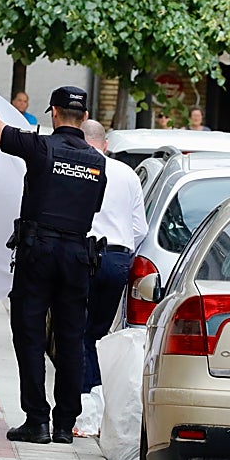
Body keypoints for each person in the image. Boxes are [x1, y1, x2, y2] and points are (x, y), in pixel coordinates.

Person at [0, 64, 106, 444]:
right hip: (77, 255)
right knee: (71, 338)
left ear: (54, 114)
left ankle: (37, 420)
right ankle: (64, 426)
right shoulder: (98, 162)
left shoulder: (41, 146)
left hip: (38, 252)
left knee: (29, 332)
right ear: (85, 117)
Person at [80, 121, 147, 392]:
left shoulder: (78, 169)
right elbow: (140, 228)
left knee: (78, 332)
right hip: (117, 259)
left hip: (84, 255)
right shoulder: (128, 174)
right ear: (105, 145)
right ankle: (98, 396)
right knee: (99, 333)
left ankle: (84, 401)